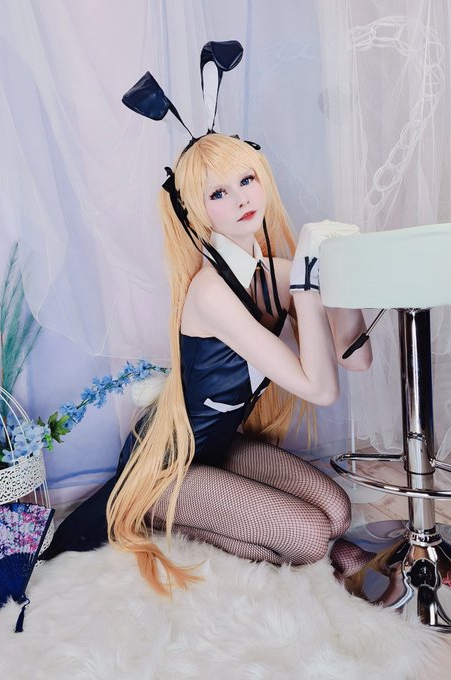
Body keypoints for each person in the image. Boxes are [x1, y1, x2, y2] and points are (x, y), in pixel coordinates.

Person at [102, 133, 372, 594]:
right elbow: (321, 390)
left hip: (220, 446)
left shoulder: (280, 274)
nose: (242, 199)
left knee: (337, 511)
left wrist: (337, 268)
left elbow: (358, 359)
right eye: (218, 193)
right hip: (165, 465)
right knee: (310, 536)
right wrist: (308, 285)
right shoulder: (211, 293)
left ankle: (233, 517)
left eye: (246, 180)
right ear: (196, 210)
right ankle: (157, 516)